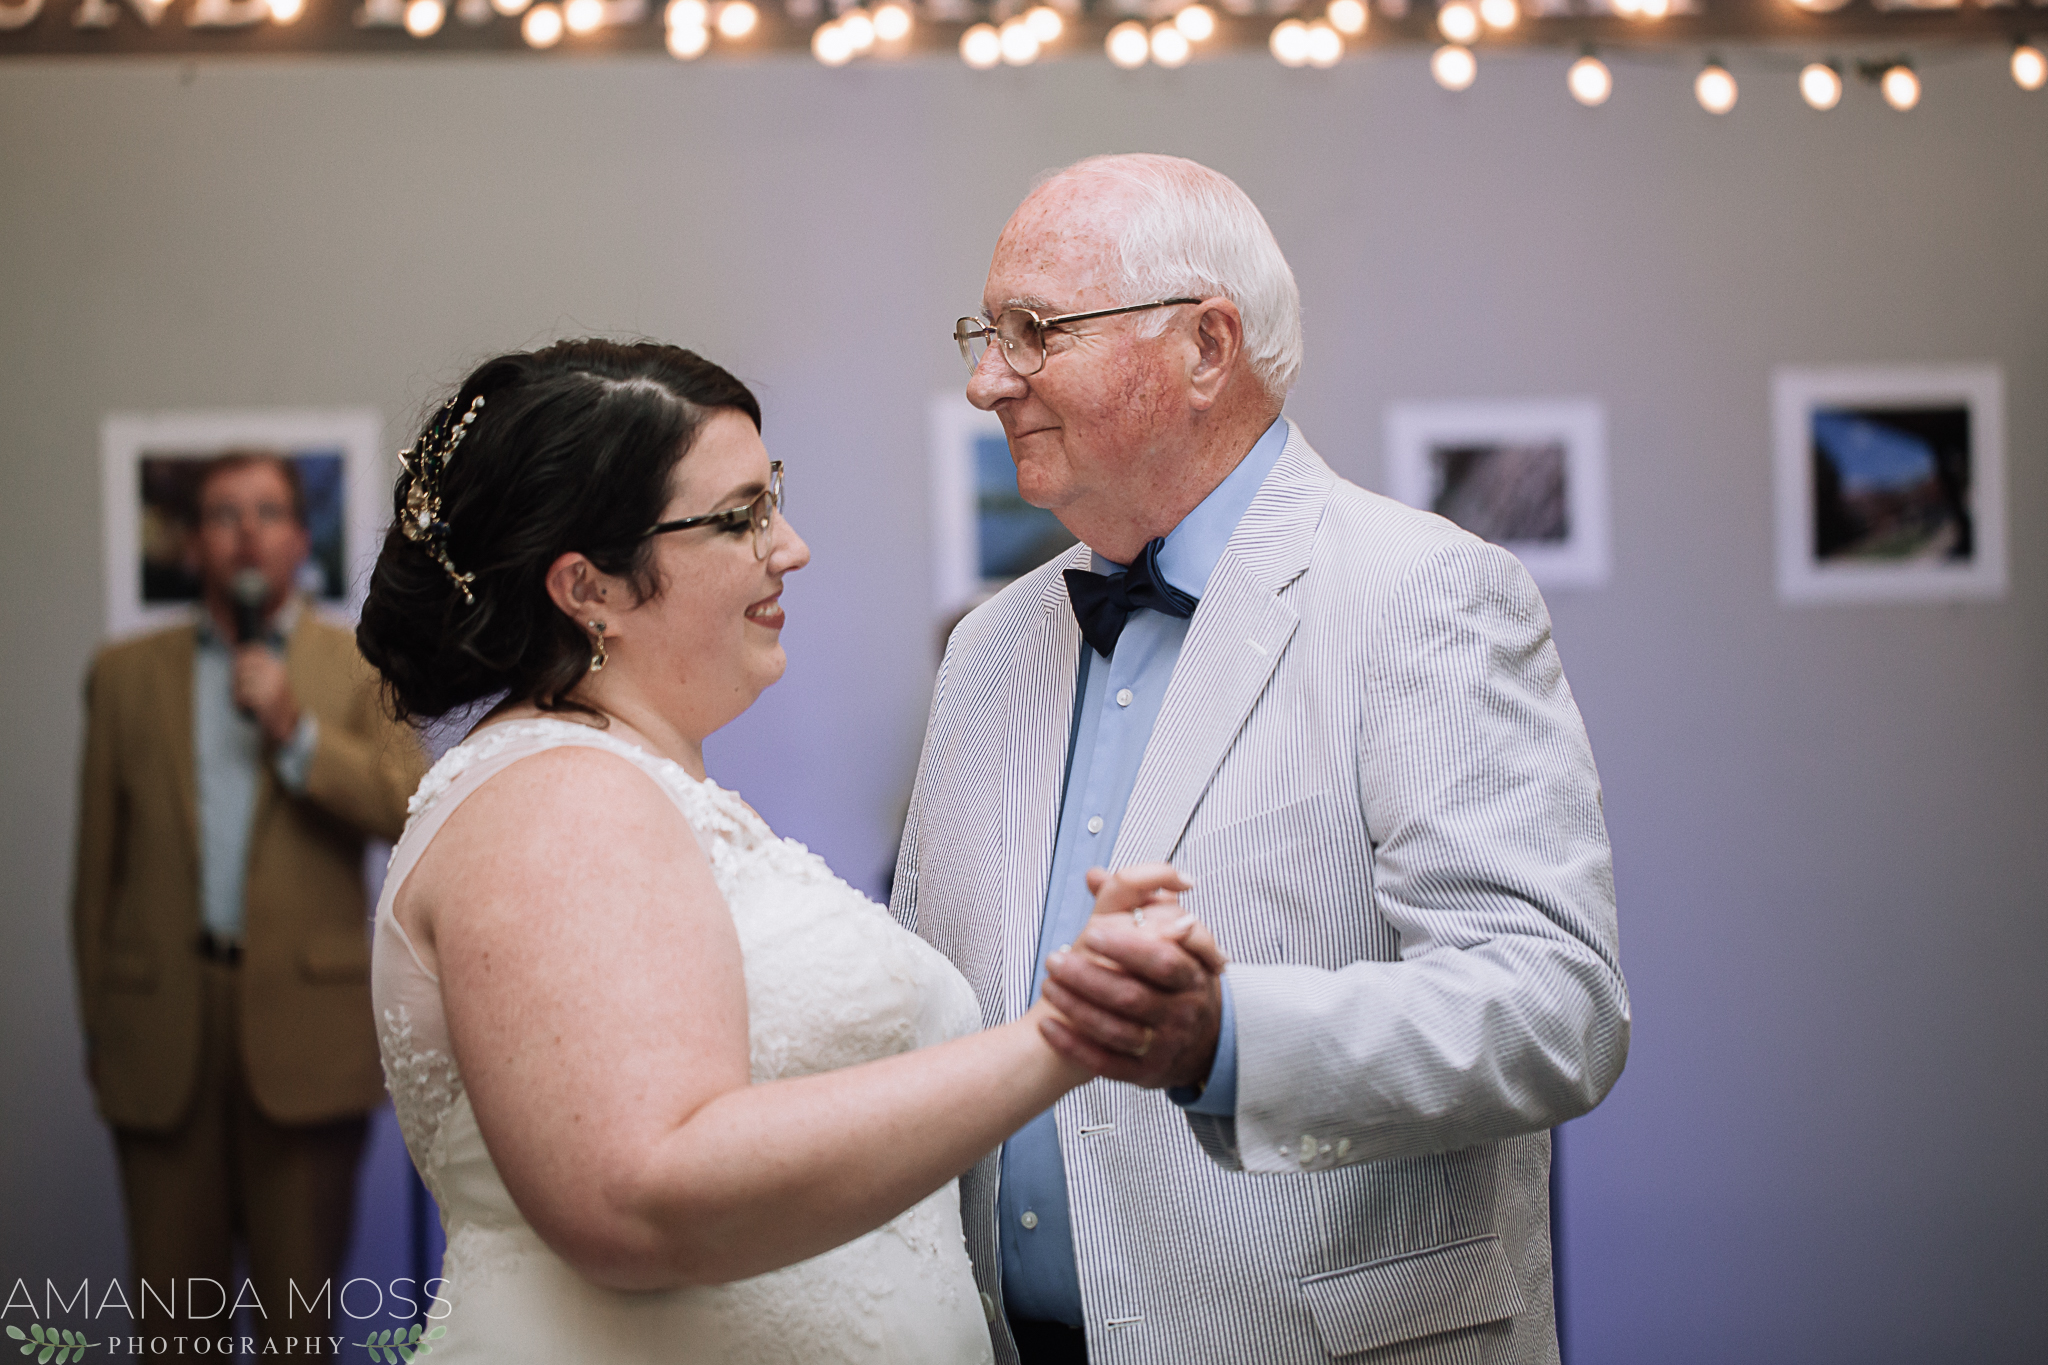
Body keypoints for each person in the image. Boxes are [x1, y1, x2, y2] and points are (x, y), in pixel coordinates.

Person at [891, 154, 1631, 1365]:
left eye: (1034, 333)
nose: (986, 381)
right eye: (986, 334)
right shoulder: (985, 649)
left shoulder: (1423, 595)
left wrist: (1226, 1037)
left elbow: (1555, 1010)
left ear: (1204, 346)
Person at [353, 339, 1224, 1364]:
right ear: (588, 586)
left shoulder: (633, 786)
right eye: (738, 519)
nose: (790, 546)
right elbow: (637, 1198)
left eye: (772, 500)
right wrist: (1058, 1044)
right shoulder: (558, 801)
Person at [72, 452, 428, 1346]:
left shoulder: (358, 667)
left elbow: (407, 808)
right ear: (194, 543)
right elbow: (94, 878)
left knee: (296, 1329)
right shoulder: (123, 675)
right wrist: (103, 1029)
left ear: (298, 541)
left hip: (308, 1044)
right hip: (160, 1041)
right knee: (172, 1327)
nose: (246, 531)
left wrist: (296, 734)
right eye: (223, 513)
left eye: (267, 512)